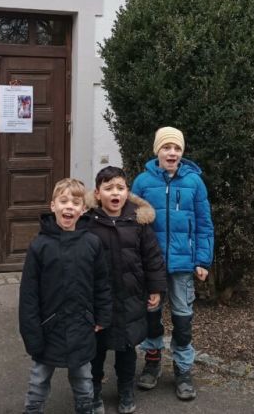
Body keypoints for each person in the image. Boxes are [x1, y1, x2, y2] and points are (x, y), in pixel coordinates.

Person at [131, 126, 214, 400]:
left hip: (183, 265)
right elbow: (133, 224)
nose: (172, 152)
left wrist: (202, 260)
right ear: (157, 150)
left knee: (182, 318)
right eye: (166, 147)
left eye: (177, 148)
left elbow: (204, 224)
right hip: (151, 265)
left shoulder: (194, 182)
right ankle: (152, 362)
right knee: (151, 316)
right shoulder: (143, 182)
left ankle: (183, 369)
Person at [19, 178, 113, 414]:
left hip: (81, 326)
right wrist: (31, 332)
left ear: (83, 209)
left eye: (75, 202)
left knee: (83, 378)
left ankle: (86, 409)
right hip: (48, 328)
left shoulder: (92, 243)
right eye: (63, 201)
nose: (69, 206)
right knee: (39, 379)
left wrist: (102, 316)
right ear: (53, 206)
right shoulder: (39, 246)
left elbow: (102, 284)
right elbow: (28, 295)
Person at [86, 166, 167, 414]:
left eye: (120, 188)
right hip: (98, 300)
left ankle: (126, 389)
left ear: (127, 192)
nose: (115, 193)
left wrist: (155, 288)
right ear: (97, 193)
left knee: (127, 348)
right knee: (96, 349)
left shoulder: (138, 222)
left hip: (131, 297)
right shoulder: (87, 222)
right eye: (108, 188)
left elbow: (152, 257)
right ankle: (93, 391)